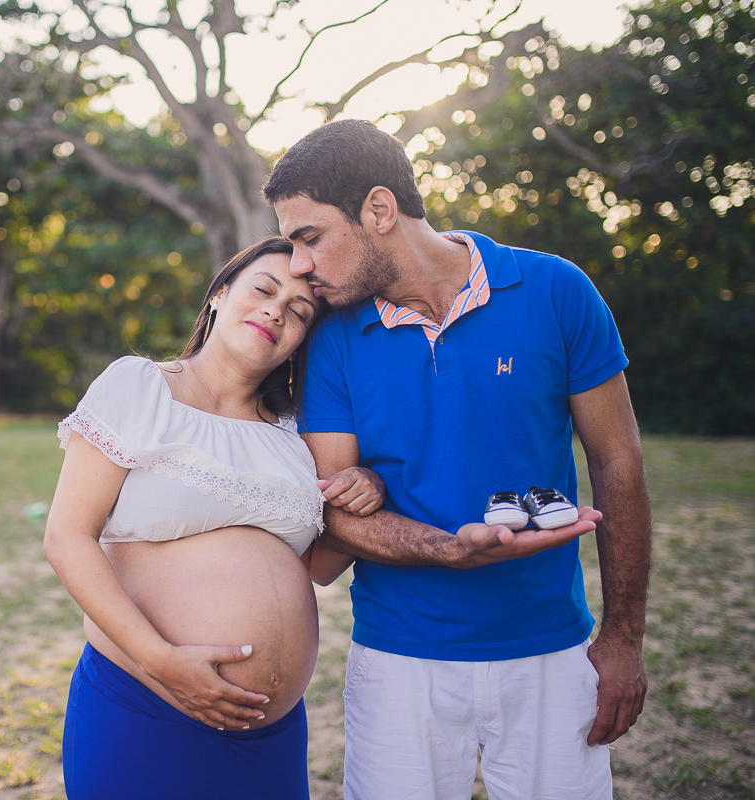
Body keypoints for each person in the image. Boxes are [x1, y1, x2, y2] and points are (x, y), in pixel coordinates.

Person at [263, 120, 651, 800]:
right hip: (397, 659)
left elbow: (617, 462)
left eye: (310, 237)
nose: (299, 263)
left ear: (379, 210)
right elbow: (331, 514)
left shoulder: (557, 291)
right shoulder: (331, 340)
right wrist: (448, 549)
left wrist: (622, 639)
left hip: (552, 650)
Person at [44, 237, 384, 800]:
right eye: (264, 289)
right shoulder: (141, 386)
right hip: (147, 698)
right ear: (220, 295)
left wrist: (365, 486)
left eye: (300, 311)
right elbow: (66, 537)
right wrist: (164, 662)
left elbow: (317, 568)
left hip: (268, 735)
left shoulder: (295, 434)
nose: (278, 310)